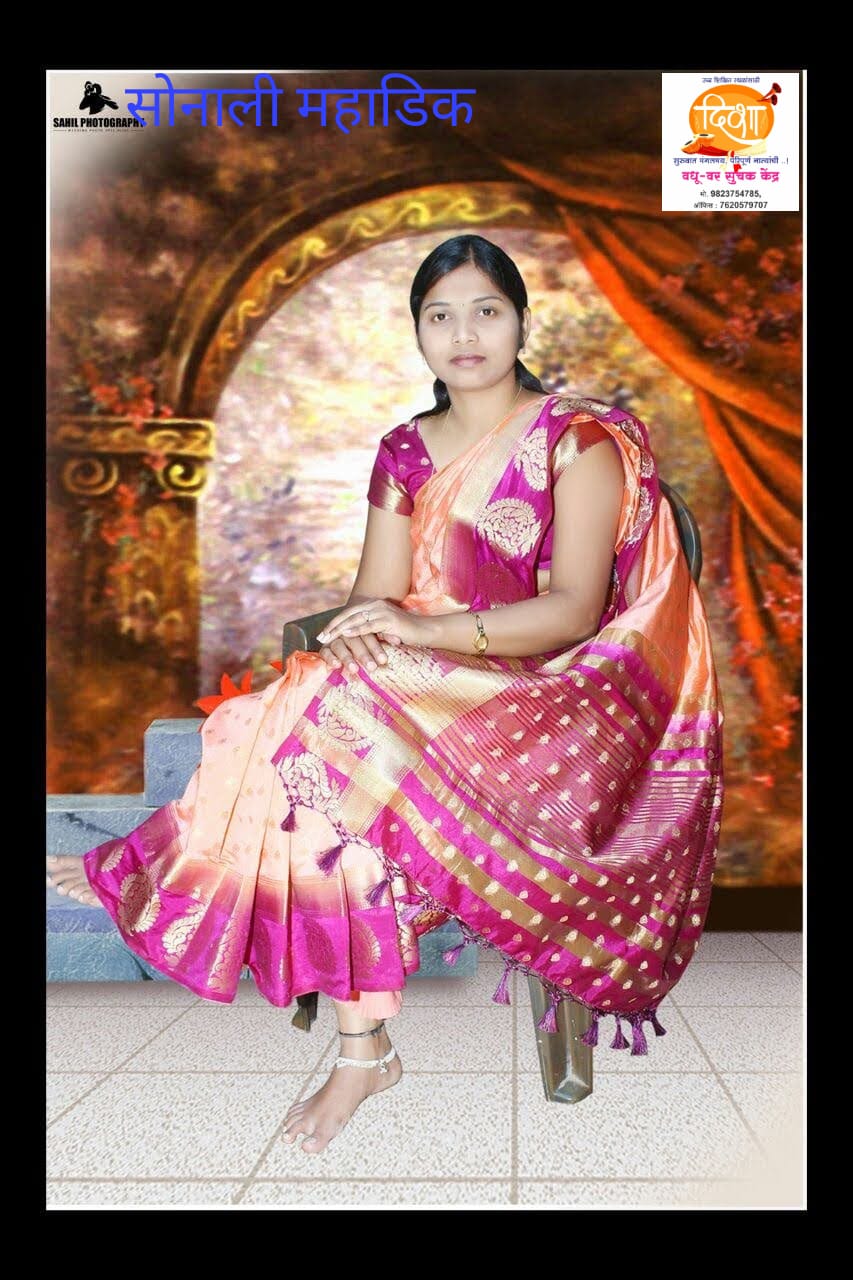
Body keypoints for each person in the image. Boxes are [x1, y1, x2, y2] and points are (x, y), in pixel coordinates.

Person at [47, 233, 724, 1156]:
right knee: (296, 717)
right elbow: (376, 593)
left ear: (521, 321)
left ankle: (214, 907)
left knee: (325, 728)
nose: (463, 334)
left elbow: (571, 612)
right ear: (417, 332)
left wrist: (417, 635)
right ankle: (361, 1046)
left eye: (485, 311)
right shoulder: (404, 450)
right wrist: (368, 635)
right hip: (417, 677)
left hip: (547, 695)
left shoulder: (577, 441)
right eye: (439, 315)